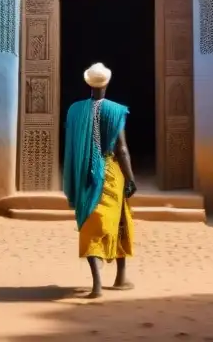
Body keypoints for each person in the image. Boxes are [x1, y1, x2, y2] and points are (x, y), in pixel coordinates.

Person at [62, 62, 138, 299]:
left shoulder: (75, 111)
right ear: (107, 83)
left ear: (88, 83)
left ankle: (96, 285)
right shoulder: (116, 112)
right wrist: (131, 179)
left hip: (85, 175)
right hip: (112, 173)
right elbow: (122, 149)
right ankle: (120, 277)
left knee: (89, 224)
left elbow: (73, 147)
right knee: (119, 221)